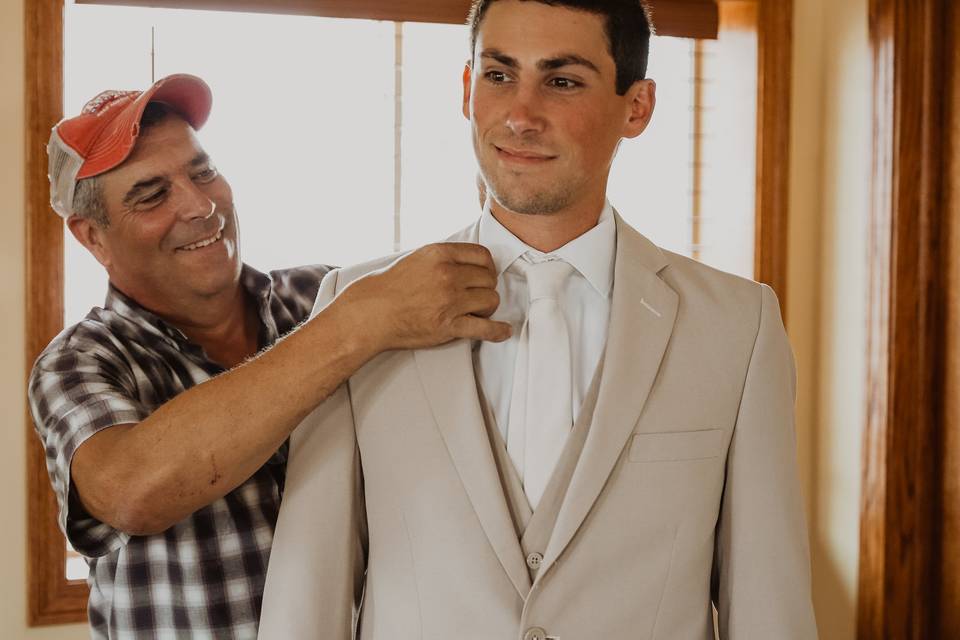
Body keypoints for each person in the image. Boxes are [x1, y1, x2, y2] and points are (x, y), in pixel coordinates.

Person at [260, 0, 819, 637]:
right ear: (468, 88)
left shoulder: (737, 327)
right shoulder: (357, 305)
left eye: (562, 81)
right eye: (499, 75)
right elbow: (307, 594)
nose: (520, 116)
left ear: (636, 107)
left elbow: (769, 607)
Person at [28, 74, 511, 638]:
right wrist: (353, 326)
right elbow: (131, 491)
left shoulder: (320, 296)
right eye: (151, 195)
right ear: (93, 237)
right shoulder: (80, 361)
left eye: (202, 170)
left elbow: (447, 297)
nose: (200, 204)